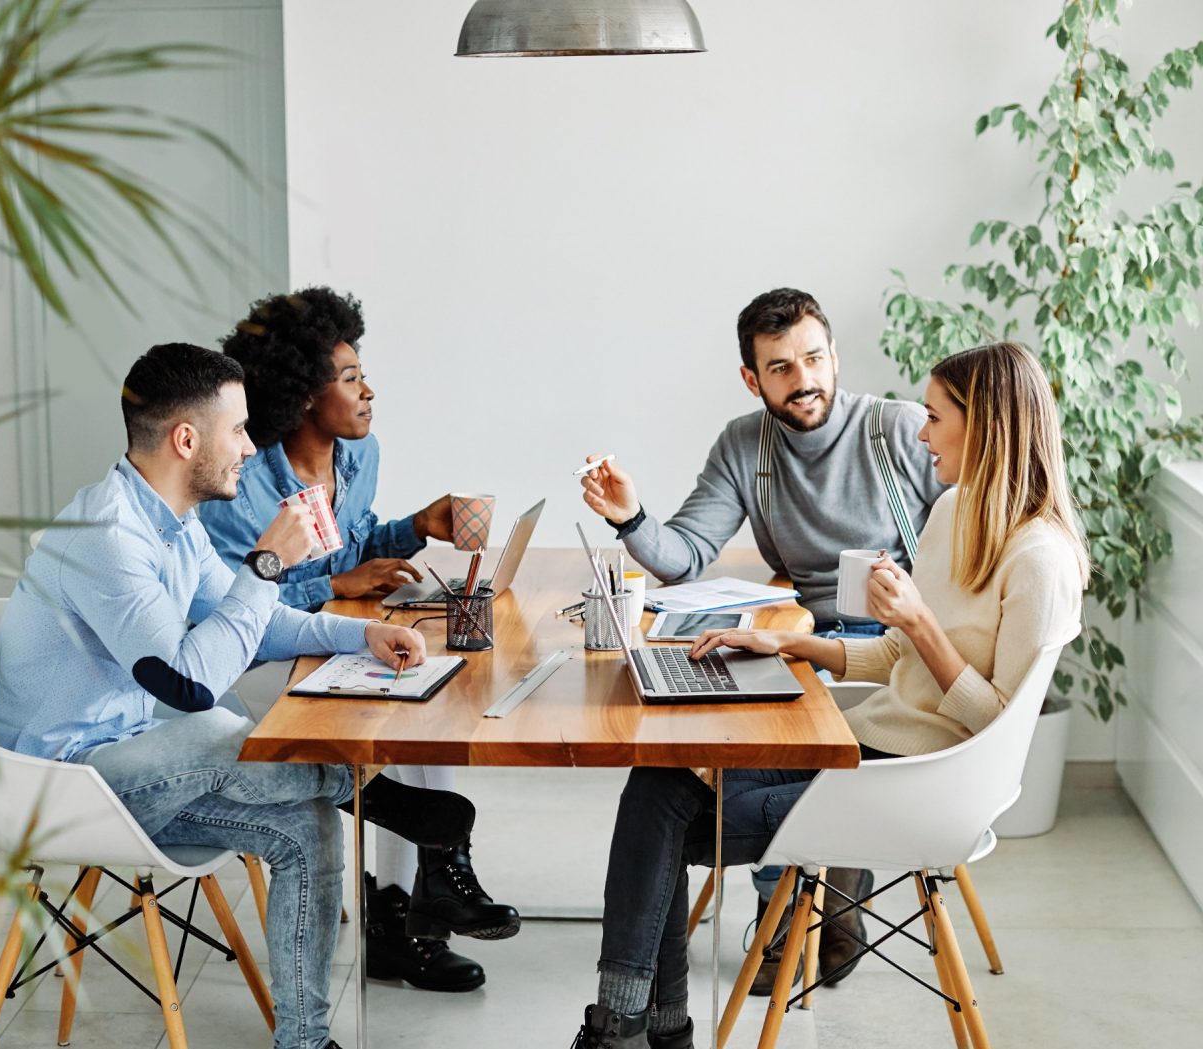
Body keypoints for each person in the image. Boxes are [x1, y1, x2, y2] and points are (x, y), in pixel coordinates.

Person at [571, 341, 1088, 1048]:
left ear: (986, 426)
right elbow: (897, 656)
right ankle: (640, 1027)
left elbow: (996, 726)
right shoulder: (955, 513)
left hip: (917, 785)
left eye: (935, 417)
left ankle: (628, 1030)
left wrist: (918, 621)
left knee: (655, 833)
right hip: (863, 747)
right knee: (658, 778)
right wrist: (786, 644)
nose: (920, 431)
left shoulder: (1042, 560)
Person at [0, 343, 479, 1049]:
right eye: (239, 429)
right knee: (222, 722)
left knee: (307, 827)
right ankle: (369, 790)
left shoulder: (175, 522)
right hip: (58, 782)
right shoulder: (107, 533)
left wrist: (356, 636)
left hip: (133, 758)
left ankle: (303, 1039)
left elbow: (253, 622)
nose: (250, 446)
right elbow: (185, 683)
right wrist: (268, 562)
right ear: (187, 440)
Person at [579, 287, 948, 989]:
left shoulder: (898, 431)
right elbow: (685, 550)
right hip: (796, 637)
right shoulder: (746, 445)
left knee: (772, 742)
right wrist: (631, 517)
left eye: (813, 358)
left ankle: (804, 911)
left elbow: (964, 549)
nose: (803, 378)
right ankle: (801, 896)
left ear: (835, 355)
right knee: (686, 744)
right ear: (753, 379)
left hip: (895, 644)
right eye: (780, 367)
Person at [199, 287, 519, 995]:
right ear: (303, 394)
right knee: (399, 713)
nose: (368, 389)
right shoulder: (244, 482)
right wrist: (333, 587)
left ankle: (405, 913)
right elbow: (231, 603)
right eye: (349, 378)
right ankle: (418, 903)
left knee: (425, 695)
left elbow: (354, 548)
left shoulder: (358, 453)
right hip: (253, 659)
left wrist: (415, 526)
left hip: (325, 637)